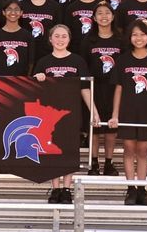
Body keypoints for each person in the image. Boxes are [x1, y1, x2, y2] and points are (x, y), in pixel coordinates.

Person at [33, 25, 99, 203]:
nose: (60, 40)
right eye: (57, 36)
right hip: (49, 114)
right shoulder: (43, 62)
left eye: (64, 36)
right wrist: (37, 79)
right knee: (52, 149)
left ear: (69, 39)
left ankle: (67, 189)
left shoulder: (77, 61)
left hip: (71, 112)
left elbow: (85, 89)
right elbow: (34, 92)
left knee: (70, 151)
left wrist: (94, 111)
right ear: (50, 39)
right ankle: (55, 189)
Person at [108, 19, 147, 205]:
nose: (139, 38)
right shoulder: (123, 59)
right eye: (135, 34)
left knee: (142, 151)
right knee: (128, 149)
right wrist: (115, 115)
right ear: (129, 37)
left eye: (142, 34)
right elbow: (118, 88)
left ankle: (142, 188)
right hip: (127, 111)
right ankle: (131, 189)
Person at [82, 1, 123, 176]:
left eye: (107, 13)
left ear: (113, 16)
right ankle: (94, 162)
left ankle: (108, 162)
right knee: (95, 127)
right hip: (94, 86)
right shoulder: (88, 41)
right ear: (94, 17)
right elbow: (84, 66)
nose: (104, 16)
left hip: (114, 87)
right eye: (99, 13)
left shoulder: (121, 40)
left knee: (111, 128)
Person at [0, 0, 33, 76]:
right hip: (0, 79)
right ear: (3, 12)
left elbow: (31, 62)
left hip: (21, 80)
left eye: (16, 9)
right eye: (9, 9)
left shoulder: (27, 36)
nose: (13, 12)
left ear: (21, 13)